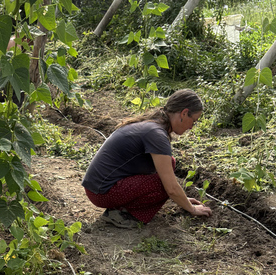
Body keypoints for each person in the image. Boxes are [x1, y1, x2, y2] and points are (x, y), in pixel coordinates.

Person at [82, 89, 212, 227]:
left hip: (98, 187)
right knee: (162, 183)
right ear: (184, 113)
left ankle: (122, 208)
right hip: (102, 192)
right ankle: (122, 214)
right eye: (194, 121)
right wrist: (191, 208)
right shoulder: (156, 134)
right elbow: (172, 188)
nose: (192, 127)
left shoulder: (153, 126)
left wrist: (183, 200)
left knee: (170, 163)